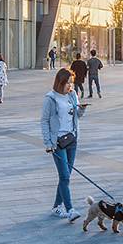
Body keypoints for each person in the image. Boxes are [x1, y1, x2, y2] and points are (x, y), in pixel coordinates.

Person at [40, 68, 84, 220]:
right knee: (64, 176)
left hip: (72, 139)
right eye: (67, 83)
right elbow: (44, 121)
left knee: (66, 176)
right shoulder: (51, 98)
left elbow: (77, 116)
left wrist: (81, 110)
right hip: (57, 142)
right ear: (60, 82)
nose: (70, 86)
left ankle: (56, 206)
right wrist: (48, 143)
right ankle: (70, 210)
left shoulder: (72, 95)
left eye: (72, 83)